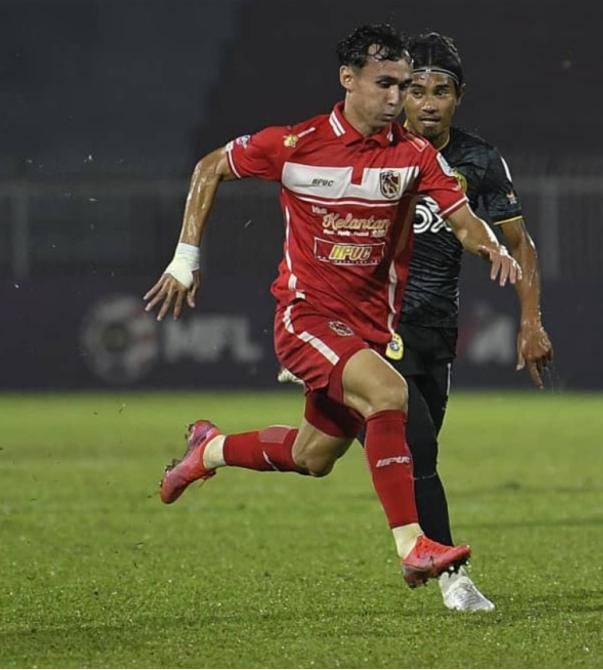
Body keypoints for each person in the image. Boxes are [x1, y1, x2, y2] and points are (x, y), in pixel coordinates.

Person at [144, 24, 521, 588]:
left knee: (313, 455)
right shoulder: (296, 146)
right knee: (389, 393)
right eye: (385, 85)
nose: (397, 99)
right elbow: (210, 168)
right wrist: (185, 256)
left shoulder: (414, 157)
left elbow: (463, 218)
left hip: (367, 329)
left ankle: (208, 450)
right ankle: (413, 545)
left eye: (403, 86)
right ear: (348, 79)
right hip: (306, 318)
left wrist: (490, 246)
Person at [391, 32, 552, 610]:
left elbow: (521, 244)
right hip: (379, 326)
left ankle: (214, 451)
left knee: (317, 454)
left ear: (459, 98)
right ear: (399, 93)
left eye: (442, 91)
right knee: (419, 446)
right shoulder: (373, 150)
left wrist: (530, 321)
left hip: (438, 326)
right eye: (416, 90)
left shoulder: (478, 159)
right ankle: (452, 576)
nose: (428, 103)